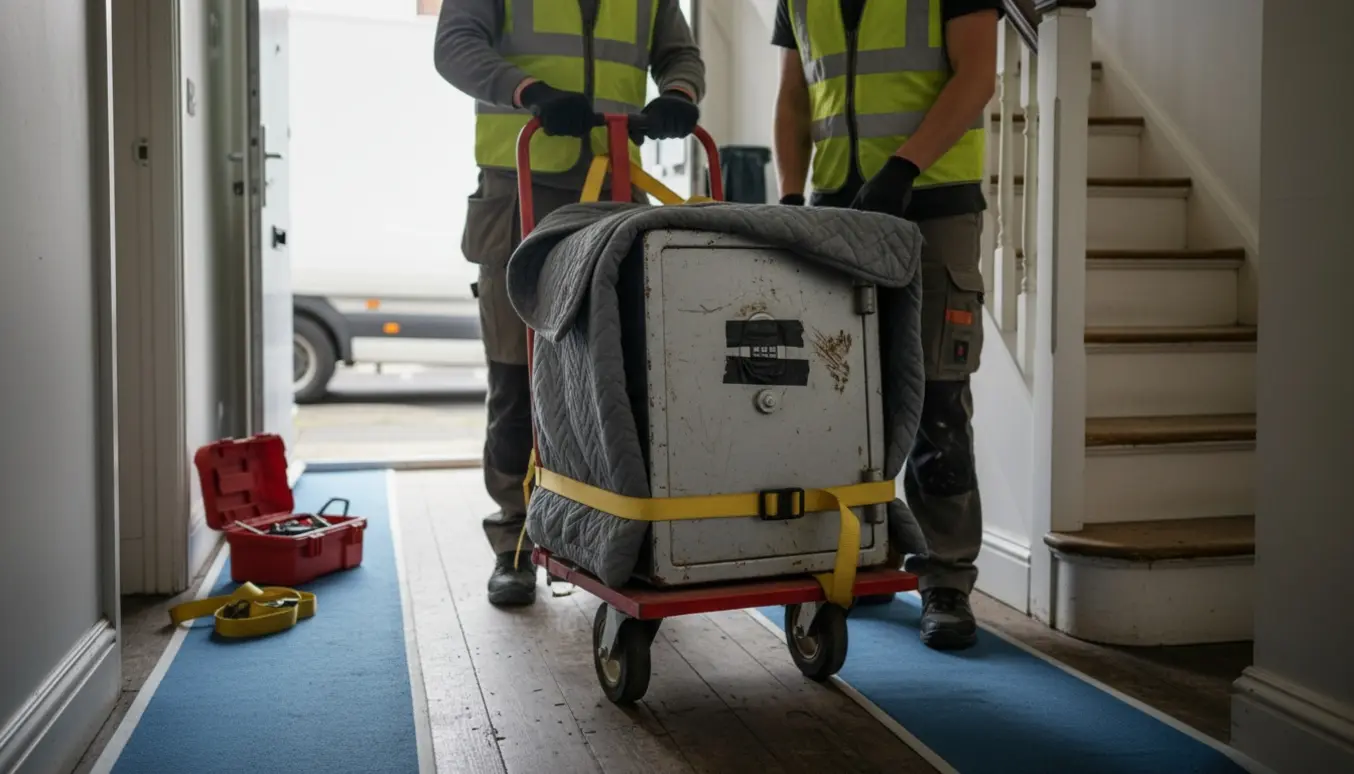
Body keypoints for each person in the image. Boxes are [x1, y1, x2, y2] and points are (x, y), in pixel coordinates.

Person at [434, 1, 705, 607]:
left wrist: (680, 93)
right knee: (516, 374)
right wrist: (528, 91)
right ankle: (516, 541)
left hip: (616, 185)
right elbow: (454, 46)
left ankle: (628, 531)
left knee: (628, 372)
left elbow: (678, 54)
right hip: (519, 178)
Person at [772, 0, 1000, 650]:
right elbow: (794, 97)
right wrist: (791, 197)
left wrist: (905, 165)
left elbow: (977, 75)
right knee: (840, 401)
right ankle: (857, 557)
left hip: (931, 201)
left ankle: (945, 579)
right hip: (836, 210)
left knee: (936, 398)